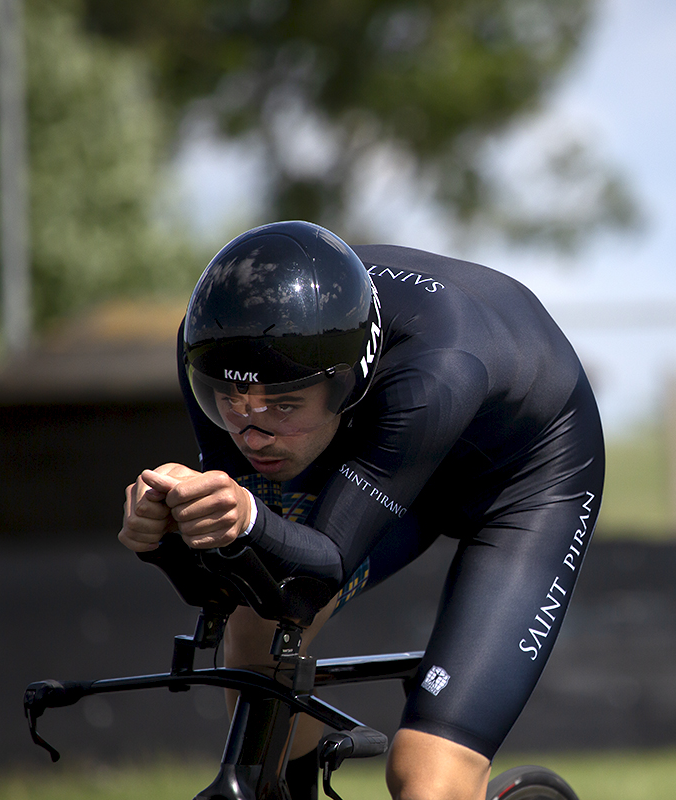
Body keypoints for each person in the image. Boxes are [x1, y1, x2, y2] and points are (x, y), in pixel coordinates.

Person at [118, 220, 604, 800]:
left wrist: (244, 518)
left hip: (525, 480)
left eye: (285, 404)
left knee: (426, 776)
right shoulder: (215, 351)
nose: (253, 432)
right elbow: (235, 589)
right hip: (388, 452)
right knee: (256, 631)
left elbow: (319, 569)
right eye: (230, 401)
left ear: (350, 382)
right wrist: (165, 534)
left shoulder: (438, 370)